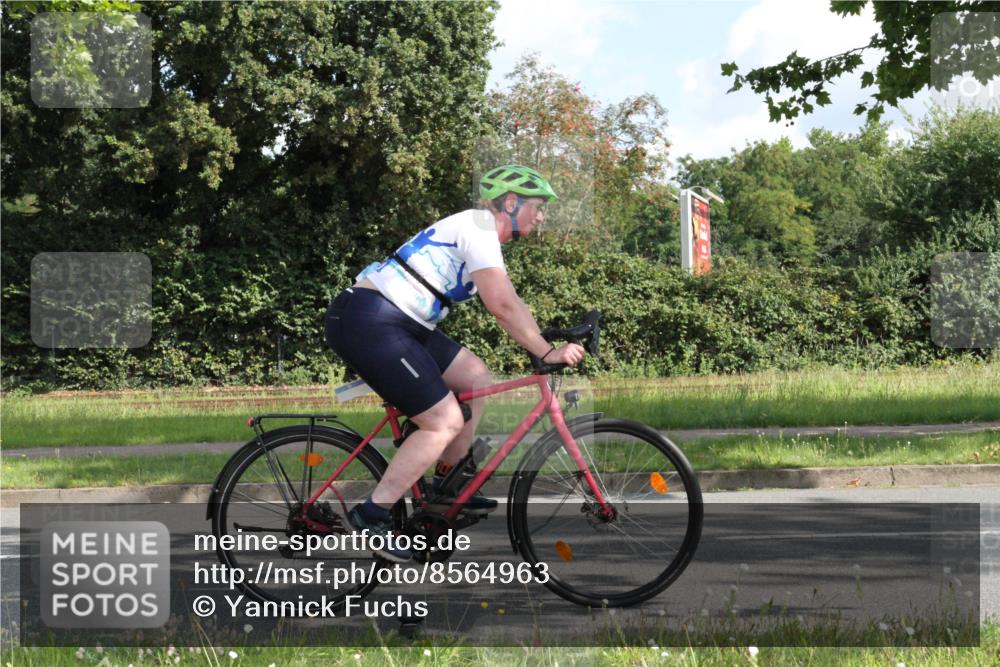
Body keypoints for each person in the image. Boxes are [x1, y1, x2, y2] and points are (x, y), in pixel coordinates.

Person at [324, 165, 585, 562]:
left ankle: (446, 489)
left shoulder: (482, 235)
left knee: (476, 377)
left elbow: (512, 302)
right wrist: (548, 353)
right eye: (538, 205)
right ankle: (371, 514)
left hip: (403, 322)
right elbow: (500, 306)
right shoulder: (478, 227)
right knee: (444, 420)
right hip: (372, 320)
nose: (542, 215)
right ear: (511, 203)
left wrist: (543, 345)